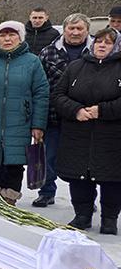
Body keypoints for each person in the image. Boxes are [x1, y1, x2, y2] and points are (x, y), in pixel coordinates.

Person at [0, 21, 49, 205]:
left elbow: (41, 93)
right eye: (3, 35)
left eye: (12, 35)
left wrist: (38, 124)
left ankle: (9, 200)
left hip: (20, 121)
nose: (7, 39)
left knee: (14, 162)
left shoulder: (32, 61)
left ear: (20, 38)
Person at [52, 28, 121, 234]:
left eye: (108, 43)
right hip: (78, 133)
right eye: (99, 41)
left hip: (112, 135)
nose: (102, 45)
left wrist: (103, 110)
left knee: (112, 179)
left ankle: (109, 219)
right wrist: (76, 110)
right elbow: (58, 95)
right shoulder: (76, 67)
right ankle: (82, 215)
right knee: (79, 176)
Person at [33, 13, 93, 207]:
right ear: (64, 29)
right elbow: (39, 86)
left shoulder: (96, 52)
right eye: (71, 28)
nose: (75, 32)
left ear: (87, 30)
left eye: (79, 29)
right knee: (48, 156)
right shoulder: (48, 52)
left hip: (85, 116)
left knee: (84, 160)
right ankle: (47, 191)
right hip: (53, 114)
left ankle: (86, 198)